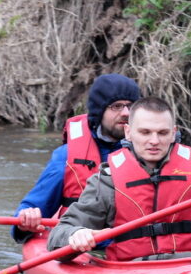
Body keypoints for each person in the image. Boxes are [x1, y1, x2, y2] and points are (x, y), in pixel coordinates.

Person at [47, 97, 191, 262]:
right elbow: (59, 234)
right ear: (128, 132)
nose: (154, 141)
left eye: (163, 133)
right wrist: (75, 235)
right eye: (145, 132)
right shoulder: (107, 181)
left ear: (174, 131)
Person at [11, 73, 140, 243]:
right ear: (99, 111)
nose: (125, 113)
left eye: (131, 107)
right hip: (85, 247)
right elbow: (32, 207)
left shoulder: (153, 151)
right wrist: (26, 219)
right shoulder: (66, 156)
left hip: (137, 249)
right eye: (116, 106)